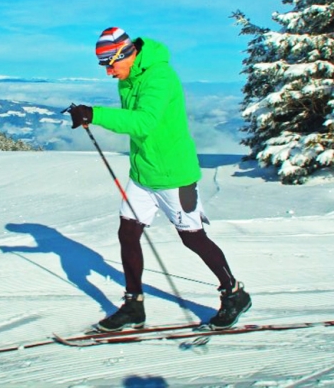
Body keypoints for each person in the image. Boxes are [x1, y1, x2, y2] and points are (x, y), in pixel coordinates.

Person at [66, 27, 251, 332]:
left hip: (174, 176)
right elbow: (135, 124)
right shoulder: (128, 79)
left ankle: (234, 293)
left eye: (110, 63)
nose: (109, 72)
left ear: (126, 53)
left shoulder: (160, 76)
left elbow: (145, 122)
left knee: (192, 238)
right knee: (128, 233)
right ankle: (133, 305)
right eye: (104, 66)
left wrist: (94, 114)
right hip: (143, 173)